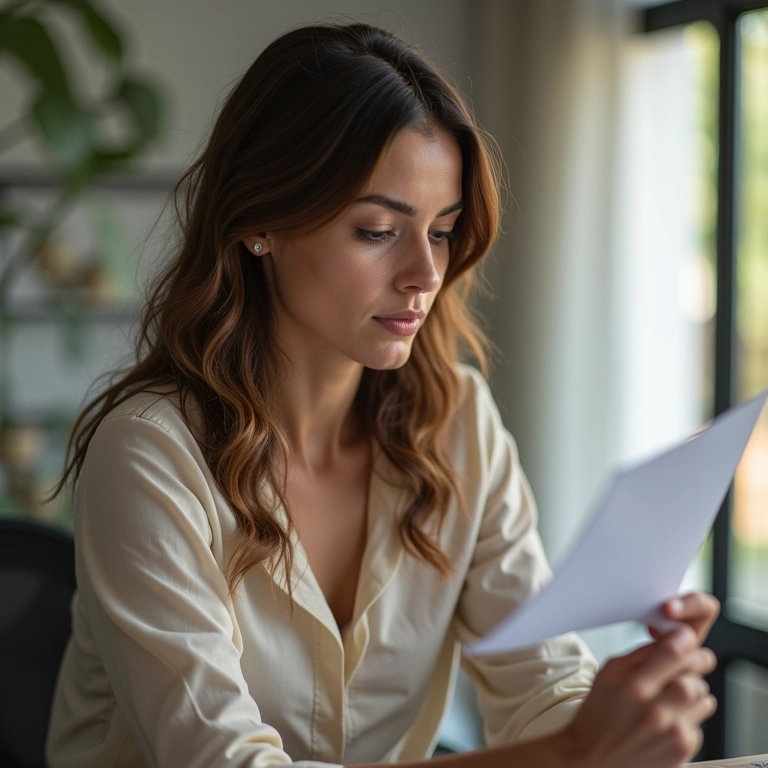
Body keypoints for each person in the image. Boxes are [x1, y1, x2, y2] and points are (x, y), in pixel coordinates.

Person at [46, 20, 719, 768]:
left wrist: (622, 711)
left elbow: (541, 685)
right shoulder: (149, 455)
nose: (425, 276)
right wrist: (574, 751)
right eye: (377, 231)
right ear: (260, 221)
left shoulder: (458, 423)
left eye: (442, 232)